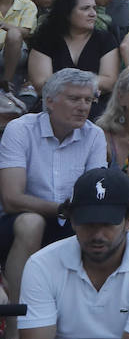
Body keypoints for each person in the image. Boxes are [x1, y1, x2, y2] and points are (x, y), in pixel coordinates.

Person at [18, 166, 129, 339]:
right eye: (88, 223)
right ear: (73, 221)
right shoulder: (41, 265)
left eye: (107, 224)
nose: (97, 235)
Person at [0, 68, 106, 313]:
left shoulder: (94, 135)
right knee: (31, 223)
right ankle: (17, 325)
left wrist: (75, 212)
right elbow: (11, 199)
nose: (83, 107)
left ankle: (87, 319)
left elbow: (94, 193)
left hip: (72, 221)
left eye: (88, 100)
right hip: (17, 223)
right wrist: (63, 209)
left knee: (106, 228)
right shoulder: (20, 130)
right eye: (74, 99)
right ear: (50, 102)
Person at [26, 0, 118, 101]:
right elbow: (40, 84)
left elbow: (109, 82)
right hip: (55, 105)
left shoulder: (105, 39)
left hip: (95, 106)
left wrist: (64, 83)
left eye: (94, 8)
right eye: (85, 8)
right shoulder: (45, 39)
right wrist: (87, 83)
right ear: (67, 12)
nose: (93, 14)